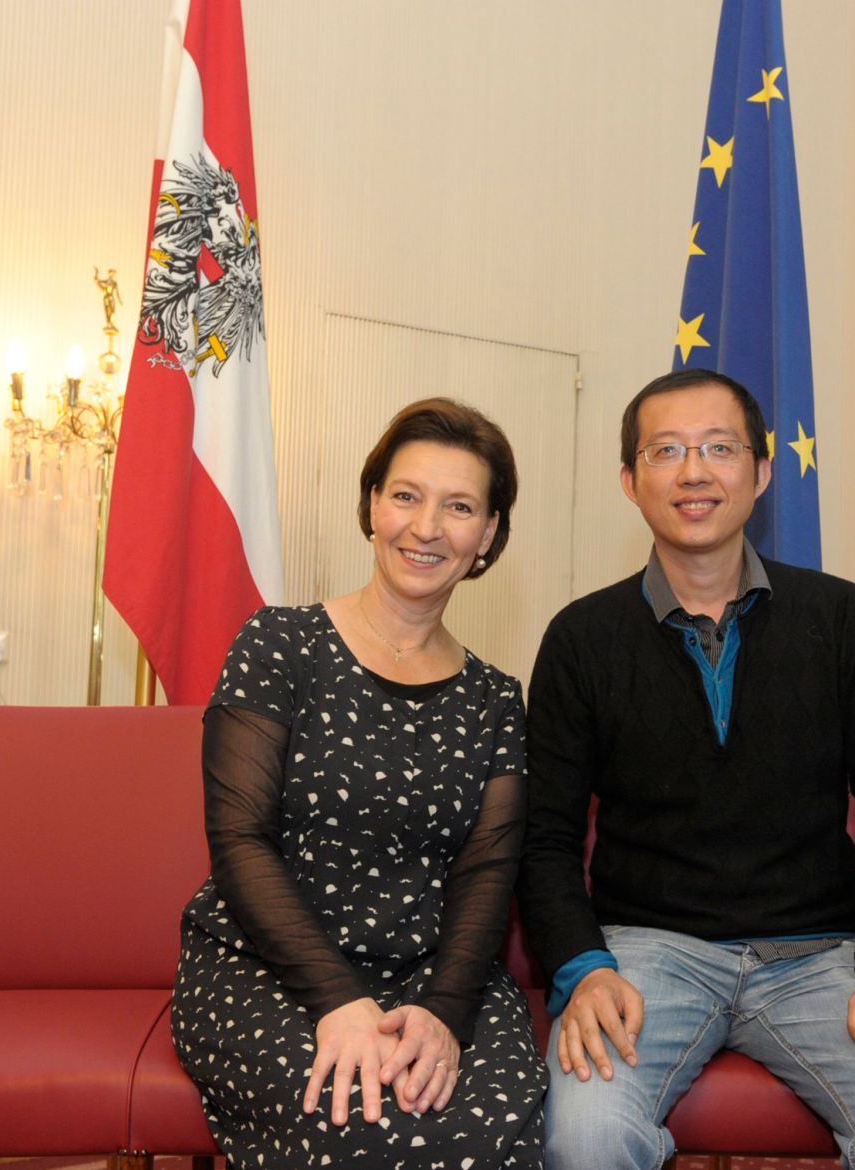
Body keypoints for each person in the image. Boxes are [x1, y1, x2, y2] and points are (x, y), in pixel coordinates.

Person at [518, 369, 855, 1170]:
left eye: (719, 448)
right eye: (666, 451)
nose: (693, 471)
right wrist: (584, 969)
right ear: (630, 482)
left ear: (762, 472)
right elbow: (544, 836)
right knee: (584, 1137)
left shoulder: (836, 616)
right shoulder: (581, 636)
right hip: (645, 955)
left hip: (822, 958)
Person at [172, 398, 545, 1169]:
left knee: (494, 1124)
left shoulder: (496, 698)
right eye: (406, 495)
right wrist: (339, 1001)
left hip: (434, 973)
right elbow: (239, 838)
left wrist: (442, 1013)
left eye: (460, 506)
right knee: (369, 1122)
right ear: (372, 504)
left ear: (490, 535)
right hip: (270, 965)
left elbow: (487, 870)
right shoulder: (280, 643)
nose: (426, 526)